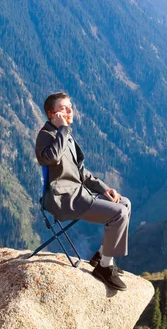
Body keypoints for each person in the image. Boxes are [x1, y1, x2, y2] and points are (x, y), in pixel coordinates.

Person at [35, 92, 131, 291]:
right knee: (118, 214)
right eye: (64, 108)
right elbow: (49, 158)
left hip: (78, 193)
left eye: (70, 107)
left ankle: (102, 255)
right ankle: (105, 268)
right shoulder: (46, 136)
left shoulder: (65, 134)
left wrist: (105, 189)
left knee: (124, 203)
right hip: (63, 199)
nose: (70, 111)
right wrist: (62, 129)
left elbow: (81, 172)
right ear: (52, 114)